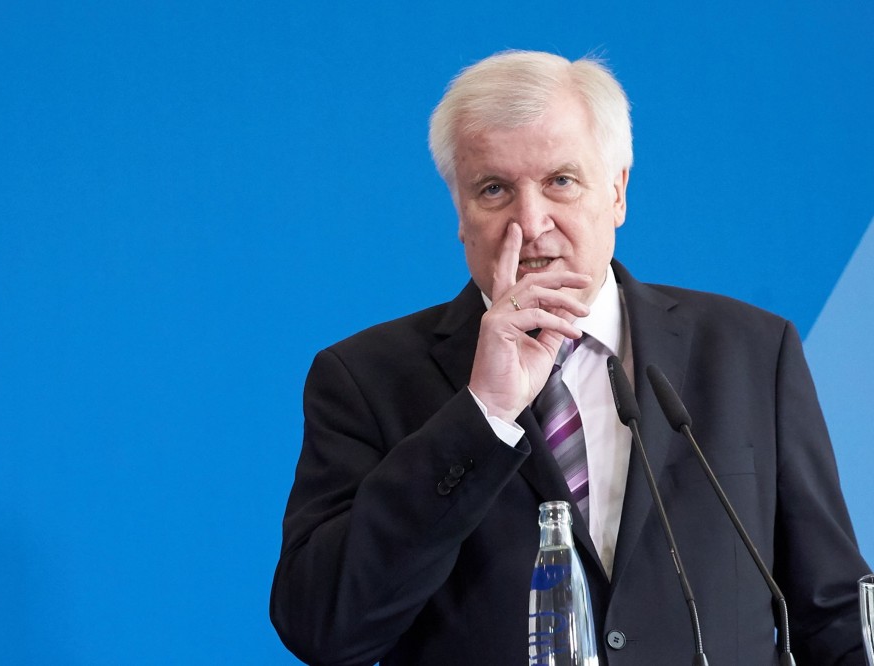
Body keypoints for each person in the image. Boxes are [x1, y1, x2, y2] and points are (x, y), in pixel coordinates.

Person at [270, 50, 870, 665]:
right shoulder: (365, 378)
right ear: (460, 214)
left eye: (561, 180)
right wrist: (484, 413)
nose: (531, 223)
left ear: (617, 192)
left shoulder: (751, 352)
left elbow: (833, 611)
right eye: (494, 189)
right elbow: (324, 627)